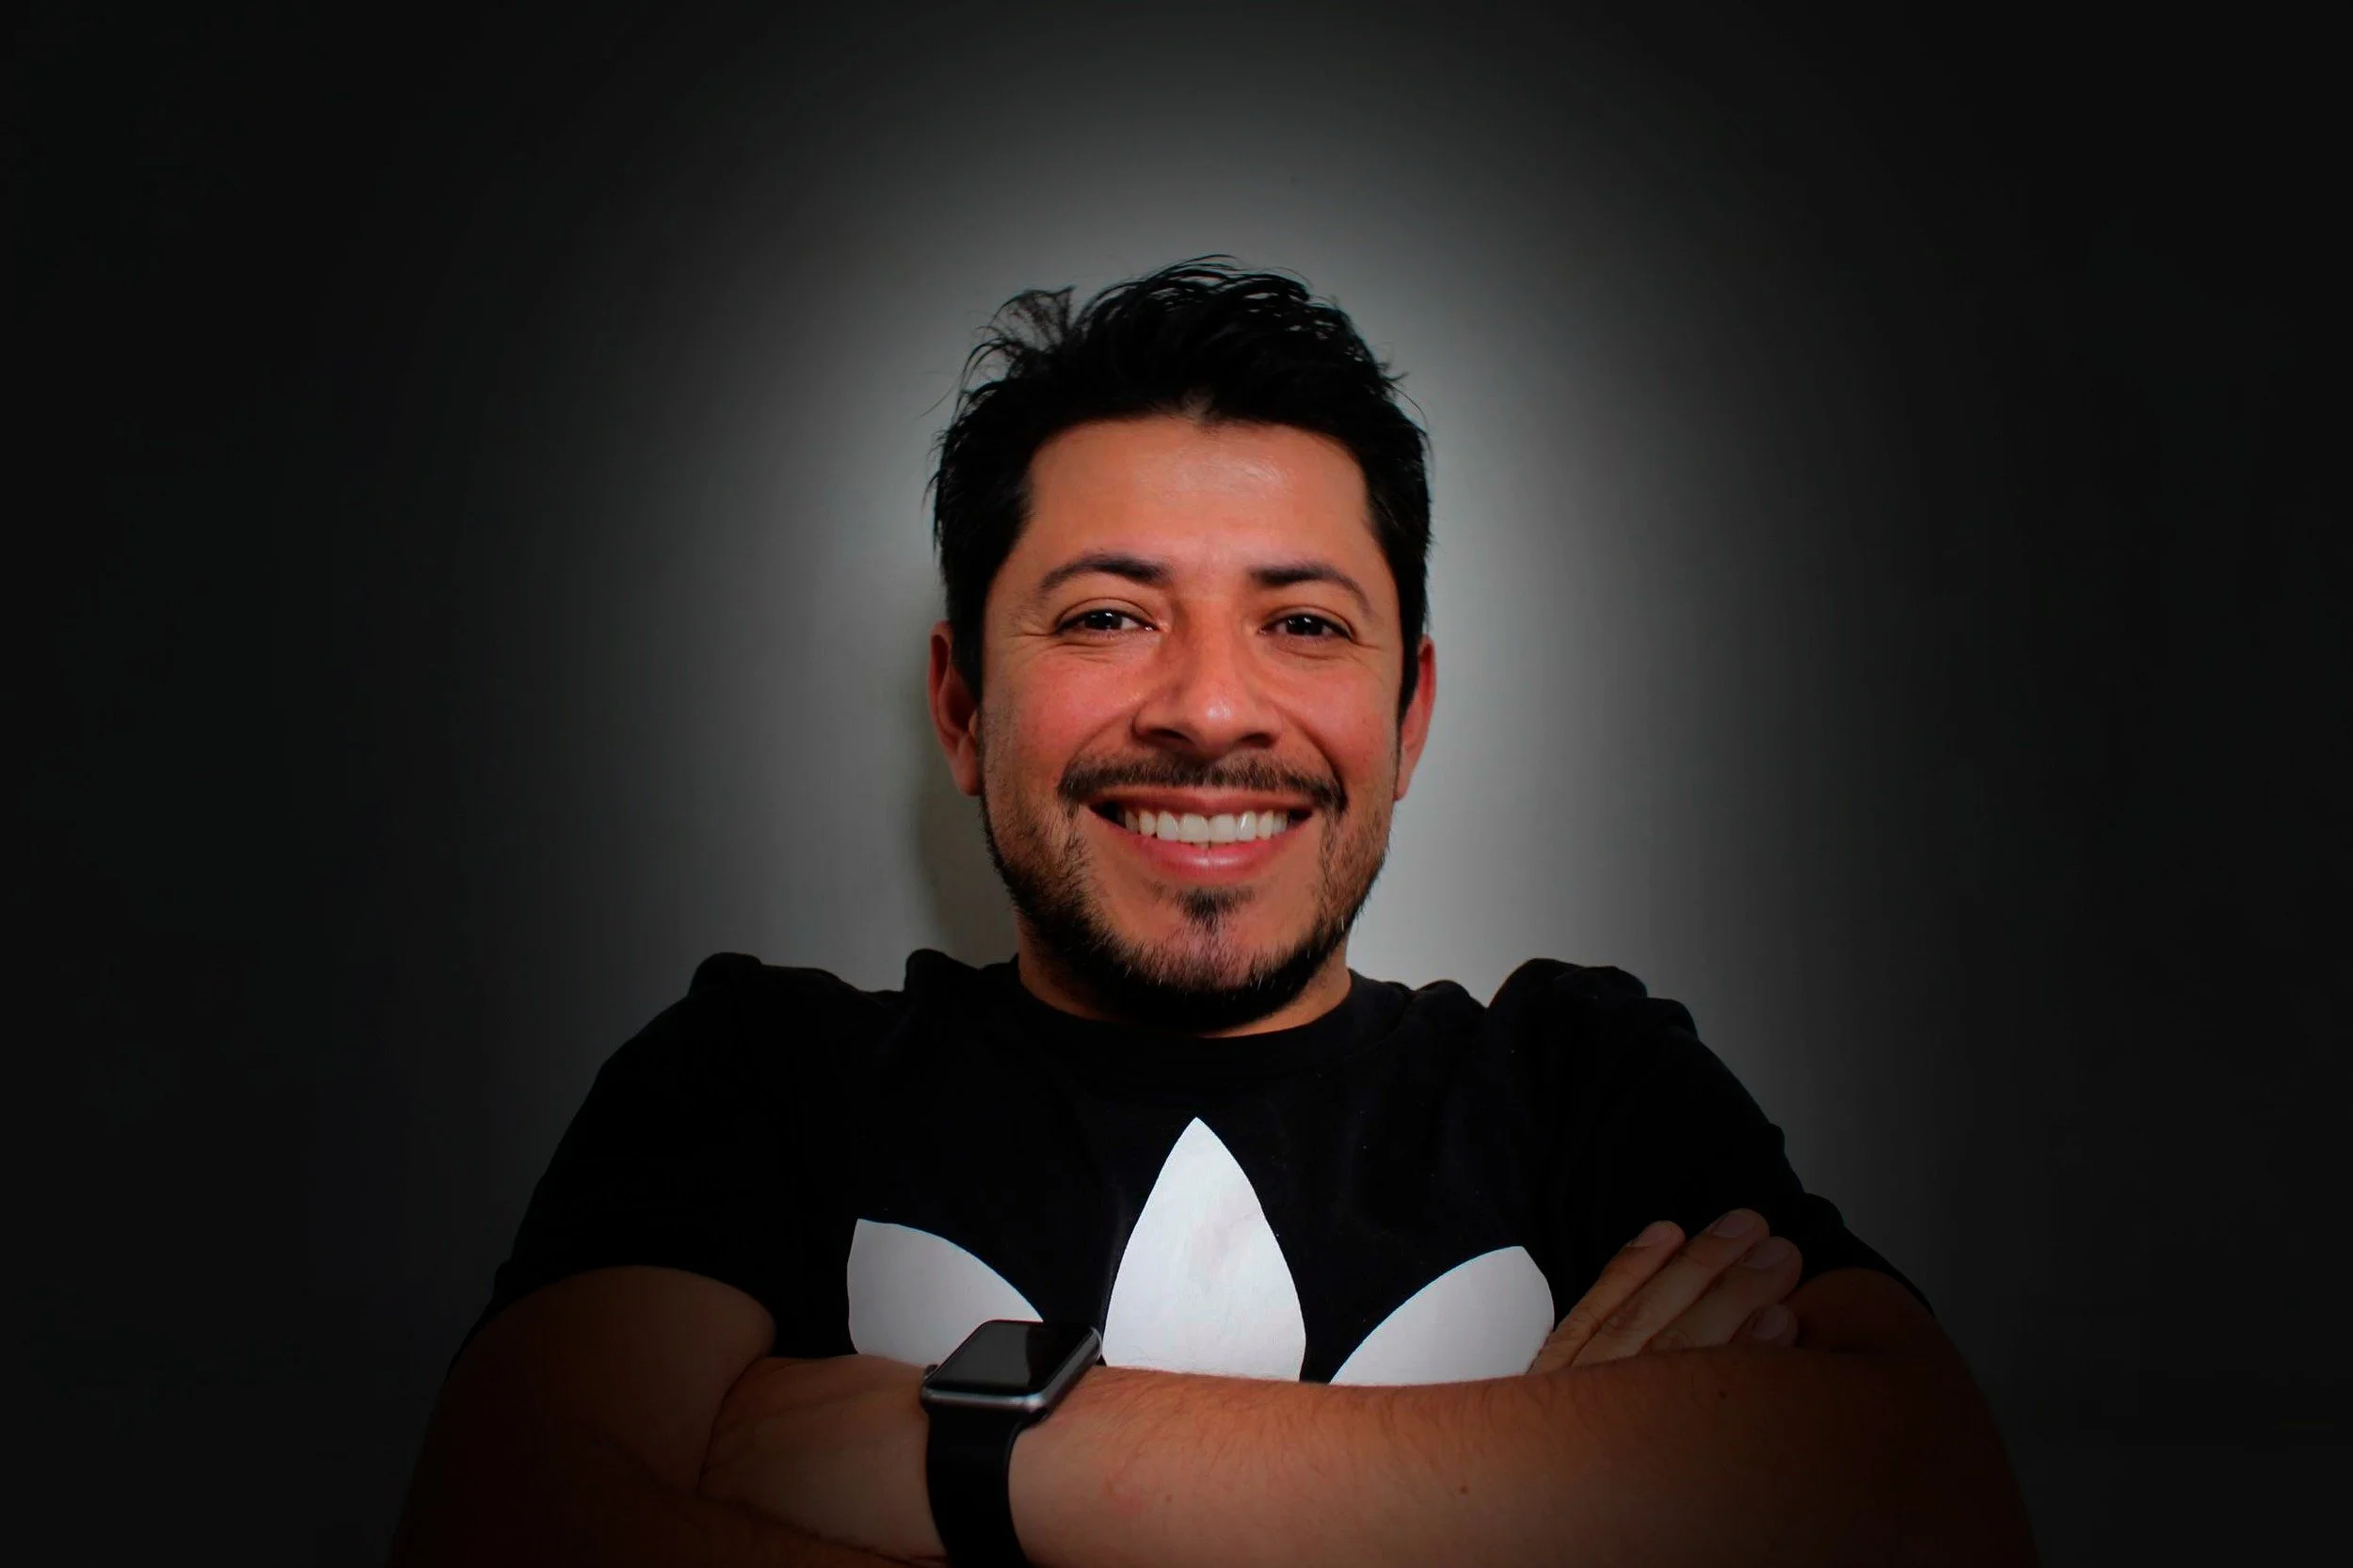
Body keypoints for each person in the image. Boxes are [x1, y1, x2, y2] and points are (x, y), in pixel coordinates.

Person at [391, 261, 2035, 1566]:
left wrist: (981, 1453)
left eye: (1304, 624)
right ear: (961, 706)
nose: (1209, 709)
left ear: (1409, 714)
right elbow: (503, 1531)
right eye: (1108, 615)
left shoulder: (1582, 1080)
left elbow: (1935, 1506)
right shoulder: (757, 1076)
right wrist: (1576, 1491)